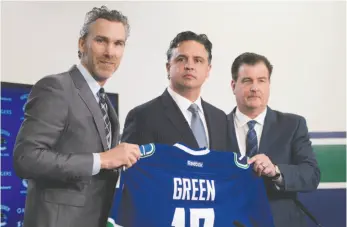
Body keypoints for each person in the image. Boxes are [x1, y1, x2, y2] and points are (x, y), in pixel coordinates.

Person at [13, 6, 140, 227]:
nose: (110, 52)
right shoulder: (56, 88)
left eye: (118, 43)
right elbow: (26, 158)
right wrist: (103, 159)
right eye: (101, 40)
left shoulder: (104, 101)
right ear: (82, 44)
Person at [227, 52, 321, 227]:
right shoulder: (215, 126)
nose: (255, 87)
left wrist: (276, 171)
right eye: (247, 80)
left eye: (261, 80)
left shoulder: (293, 125)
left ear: (269, 85)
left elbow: (311, 175)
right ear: (233, 85)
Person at [121, 31, 229, 151]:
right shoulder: (142, 116)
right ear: (168, 68)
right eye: (182, 59)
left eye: (198, 60)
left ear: (208, 70)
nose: (189, 66)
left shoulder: (220, 119)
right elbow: (132, 168)